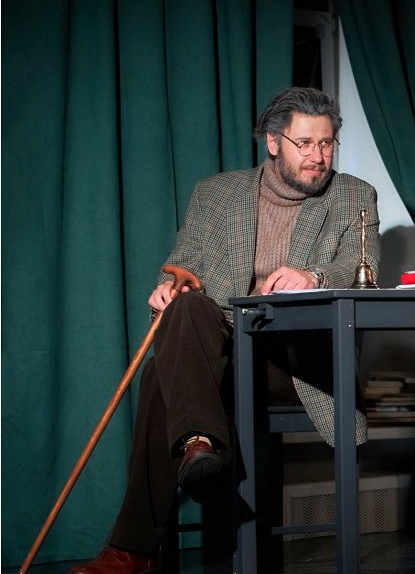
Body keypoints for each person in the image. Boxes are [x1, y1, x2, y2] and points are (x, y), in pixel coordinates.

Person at [70, 87, 380, 574]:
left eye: (326, 143)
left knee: (158, 381)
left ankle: (137, 544)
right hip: (222, 352)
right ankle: (199, 448)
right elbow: (182, 265)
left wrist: (314, 276)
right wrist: (167, 289)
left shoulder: (354, 195)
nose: (318, 157)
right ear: (273, 143)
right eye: (304, 143)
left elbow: (364, 268)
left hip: (296, 364)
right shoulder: (216, 194)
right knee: (188, 306)